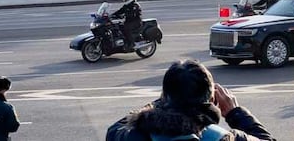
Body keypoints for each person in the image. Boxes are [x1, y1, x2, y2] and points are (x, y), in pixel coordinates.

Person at [106, 59, 275, 141]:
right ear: (211, 98)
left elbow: (114, 129)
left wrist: (162, 102)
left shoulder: (132, 136)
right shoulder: (224, 138)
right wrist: (235, 113)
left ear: (165, 96)